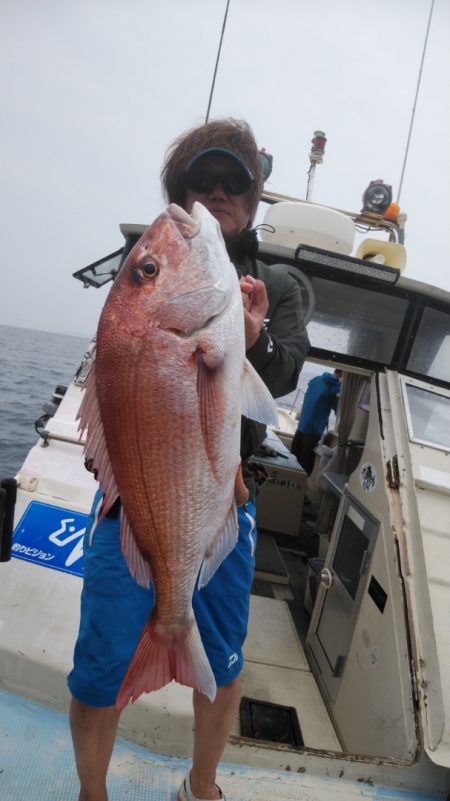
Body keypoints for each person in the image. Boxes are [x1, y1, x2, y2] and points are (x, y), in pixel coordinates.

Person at [68, 118, 309, 801]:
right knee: (99, 665)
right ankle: (92, 793)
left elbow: (286, 372)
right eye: (200, 181)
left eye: (233, 182)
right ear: (179, 188)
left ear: (254, 197)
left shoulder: (281, 283)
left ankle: (201, 788)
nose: (216, 192)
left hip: (227, 503)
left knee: (224, 664)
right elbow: (114, 369)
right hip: (133, 504)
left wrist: (251, 342)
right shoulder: (156, 275)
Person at [291, 368, 343, 475]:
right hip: (313, 430)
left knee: (293, 459)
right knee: (305, 465)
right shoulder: (335, 387)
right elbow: (339, 410)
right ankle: (298, 489)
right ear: (343, 374)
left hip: (301, 425)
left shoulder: (317, 379)